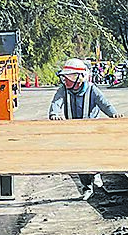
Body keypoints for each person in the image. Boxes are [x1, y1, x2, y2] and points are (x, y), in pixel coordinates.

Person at [47, 57, 120, 199]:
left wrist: (114, 115)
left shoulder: (92, 90)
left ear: (79, 78)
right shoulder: (63, 90)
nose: (65, 81)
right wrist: (54, 114)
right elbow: (56, 104)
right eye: (65, 78)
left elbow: (105, 104)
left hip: (92, 132)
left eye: (68, 78)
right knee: (79, 160)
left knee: (93, 155)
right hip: (74, 132)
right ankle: (87, 186)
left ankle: (96, 174)